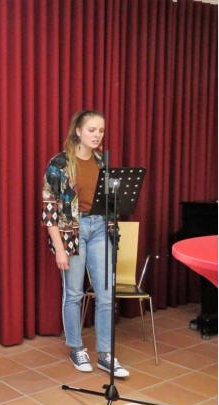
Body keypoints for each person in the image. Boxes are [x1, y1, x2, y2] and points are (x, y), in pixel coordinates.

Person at [41, 110, 129, 378]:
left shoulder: (103, 161)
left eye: (101, 130)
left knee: (105, 294)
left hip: (101, 228)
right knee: (74, 293)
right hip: (72, 231)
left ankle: (105, 353)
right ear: (77, 131)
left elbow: (111, 200)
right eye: (92, 130)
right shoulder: (59, 163)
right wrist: (59, 246)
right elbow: (49, 208)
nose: (97, 135)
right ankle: (76, 347)